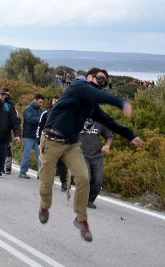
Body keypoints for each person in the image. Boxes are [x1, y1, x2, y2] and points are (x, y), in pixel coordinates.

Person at [38, 67, 143, 242]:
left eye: (103, 81)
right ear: (88, 77)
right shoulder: (78, 86)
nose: (100, 82)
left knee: (84, 178)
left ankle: (81, 220)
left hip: (71, 144)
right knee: (46, 181)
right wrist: (121, 102)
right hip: (51, 140)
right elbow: (98, 95)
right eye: (98, 78)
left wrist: (130, 135)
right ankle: (44, 206)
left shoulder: (91, 106)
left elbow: (108, 121)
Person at [37, 96, 69, 191]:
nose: (55, 102)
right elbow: (40, 127)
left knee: (61, 163)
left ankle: (64, 183)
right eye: (54, 100)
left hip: (60, 142)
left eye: (57, 101)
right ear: (51, 102)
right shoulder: (46, 113)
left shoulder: (65, 114)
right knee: (47, 162)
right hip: (47, 141)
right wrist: (39, 141)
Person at [79, 119, 113, 209]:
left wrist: (107, 145)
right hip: (81, 155)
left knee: (97, 181)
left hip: (97, 156)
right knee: (86, 177)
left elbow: (109, 136)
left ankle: (89, 200)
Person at [19, 94, 44, 179]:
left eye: (42, 103)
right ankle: (22, 172)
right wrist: (41, 119)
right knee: (26, 155)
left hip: (38, 136)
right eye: (40, 102)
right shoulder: (28, 109)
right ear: (35, 100)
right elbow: (30, 120)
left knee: (40, 156)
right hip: (28, 135)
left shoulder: (41, 110)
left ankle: (40, 173)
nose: (41, 104)